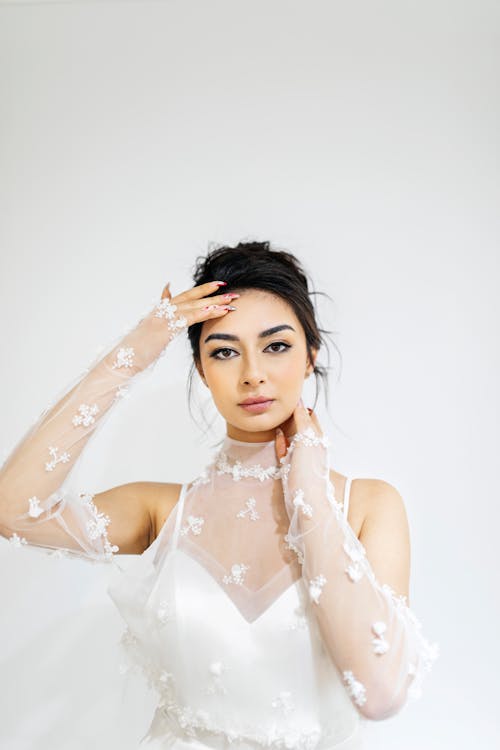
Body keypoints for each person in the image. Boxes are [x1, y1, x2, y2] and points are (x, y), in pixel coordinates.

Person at [0, 241, 439, 749]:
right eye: (224, 351)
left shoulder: (367, 507)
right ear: (201, 370)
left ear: (310, 355)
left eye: (276, 345)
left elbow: (381, 694)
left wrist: (310, 494)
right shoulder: (162, 510)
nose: (252, 373)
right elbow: (13, 510)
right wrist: (139, 348)